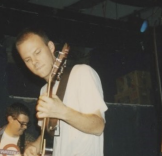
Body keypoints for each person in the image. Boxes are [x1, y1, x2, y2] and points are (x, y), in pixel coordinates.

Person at [15, 27, 108, 156]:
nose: (34, 62)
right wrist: (35, 145)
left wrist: (63, 112)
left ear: (51, 47)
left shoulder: (81, 73)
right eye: (27, 60)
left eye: (37, 52)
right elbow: (51, 135)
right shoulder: (44, 91)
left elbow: (99, 126)